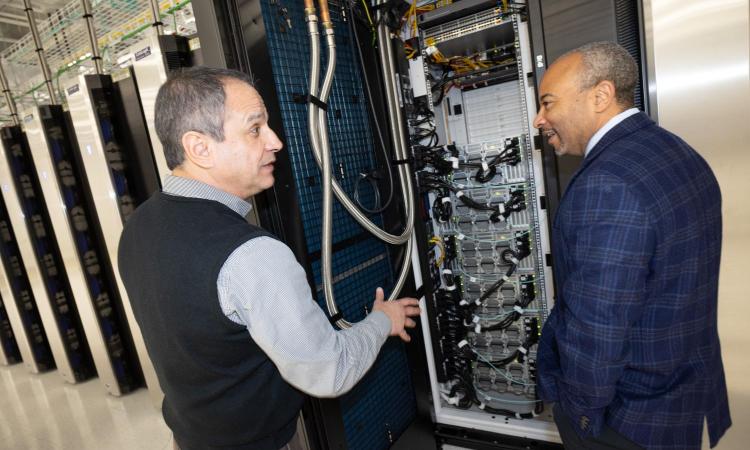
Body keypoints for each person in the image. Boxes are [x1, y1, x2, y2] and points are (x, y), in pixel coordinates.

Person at [117, 66, 421, 450]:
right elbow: (330, 371)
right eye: (255, 129)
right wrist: (384, 321)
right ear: (199, 148)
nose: (276, 141)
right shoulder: (251, 255)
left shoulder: (138, 227)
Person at [533, 42, 731, 449]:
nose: (540, 119)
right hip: (683, 398)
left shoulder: (607, 184)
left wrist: (580, 417)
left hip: (630, 420)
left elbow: (598, 325)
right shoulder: (681, 152)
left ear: (601, 96)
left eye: (548, 103)